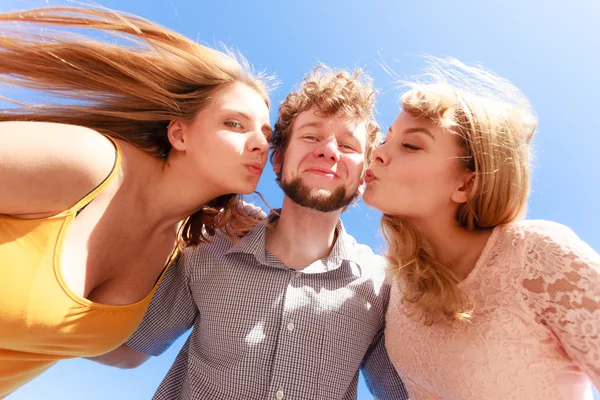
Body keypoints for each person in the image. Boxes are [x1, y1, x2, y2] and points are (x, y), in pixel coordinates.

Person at [0, 6, 272, 397]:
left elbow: (125, 356)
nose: (260, 142)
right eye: (235, 123)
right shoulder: (90, 164)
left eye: (265, 133)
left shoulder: (182, 250)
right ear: (179, 134)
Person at [93, 66, 409, 400]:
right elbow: (126, 351)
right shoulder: (211, 245)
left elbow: (409, 392)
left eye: (347, 145)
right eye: (311, 136)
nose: (328, 150)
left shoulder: (383, 287)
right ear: (278, 158)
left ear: (364, 177)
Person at [363, 57, 600, 399]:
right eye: (386, 139)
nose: (378, 153)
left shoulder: (538, 256)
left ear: (467, 185)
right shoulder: (397, 289)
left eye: (411, 145)